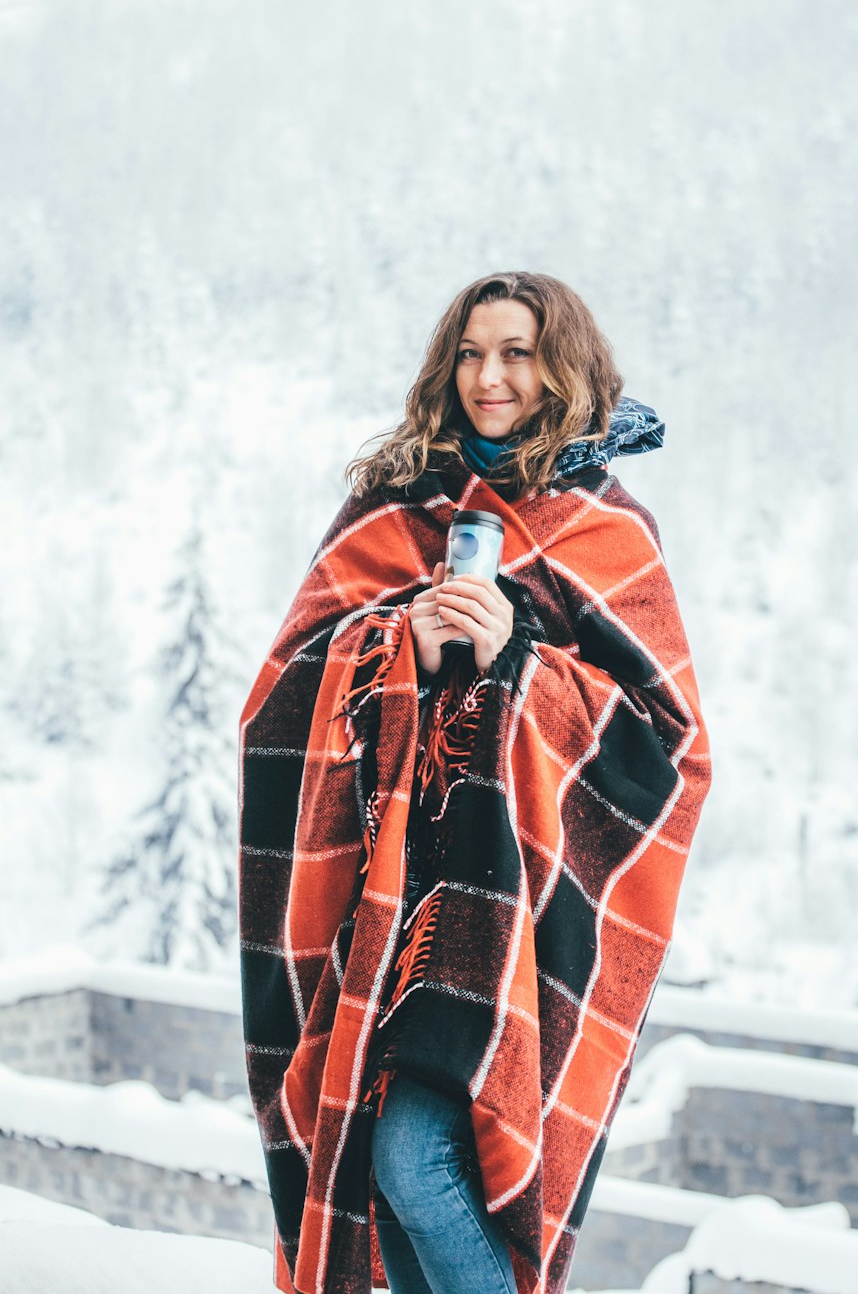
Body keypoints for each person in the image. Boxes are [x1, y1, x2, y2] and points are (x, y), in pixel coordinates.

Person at [238, 271, 713, 1294]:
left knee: (419, 1157)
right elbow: (282, 687)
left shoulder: (605, 529)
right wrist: (389, 643)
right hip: (385, 894)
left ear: (562, 367)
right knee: (368, 1165)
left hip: (514, 914)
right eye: (471, 353)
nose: (489, 377)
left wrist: (524, 664)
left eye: (516, 352)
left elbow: (669, 744)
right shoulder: (392, 507)